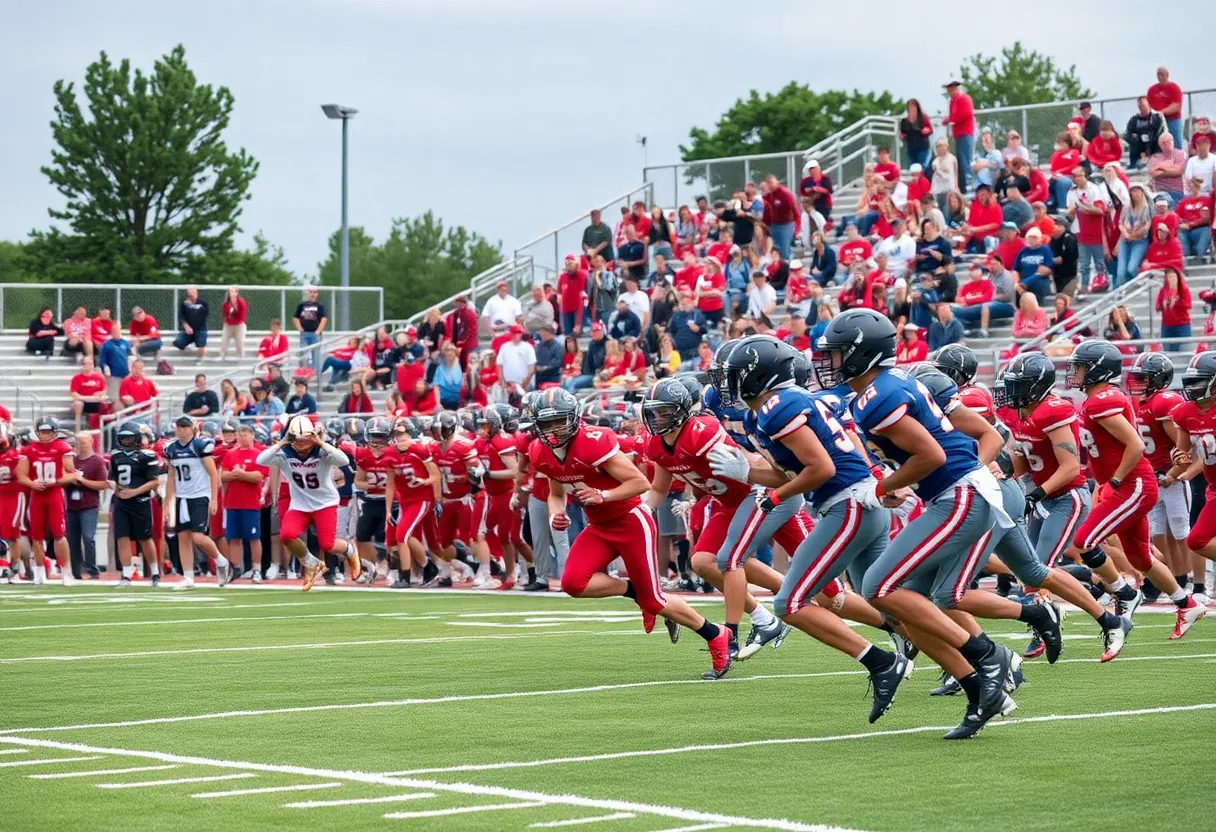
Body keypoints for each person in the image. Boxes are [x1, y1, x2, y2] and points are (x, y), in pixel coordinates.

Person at [816, 308, 1017, 739]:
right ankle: (978, 687)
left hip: (959, 491)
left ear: (860, 354)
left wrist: (881, 485)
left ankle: (988, 655)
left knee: (877, 586)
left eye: (834, 354)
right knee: (900, 603)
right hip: (949, 493)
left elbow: (933, 456)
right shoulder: (879, 389)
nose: (827, 363)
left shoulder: (878, 394)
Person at [528, 388, 732, 678]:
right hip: (599, 527)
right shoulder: (539, 451)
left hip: (630, 521)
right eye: (546, 424)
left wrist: (602, 495)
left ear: (573, 419)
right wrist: (555, 514)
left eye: (558, 421)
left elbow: (640, 483)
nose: (553, 430)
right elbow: (555, 494)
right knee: (573, 583)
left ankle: (715, 634)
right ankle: (635, 591)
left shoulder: (592, 443)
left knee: (655, 601)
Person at [1066, 341, 1205, 637]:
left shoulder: (1103, 399)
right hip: (1130, 484)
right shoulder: (1096, 399)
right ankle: (1186, 603)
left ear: (1096, 369)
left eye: (1079, 367)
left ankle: (1123, 594)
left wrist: (1114, 480)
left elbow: (1136, 444)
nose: (1073, 372)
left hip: (1132, 485)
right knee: (1141, 558)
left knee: (1083, 540)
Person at [257, 415, 360, 591]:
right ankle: (311, 563)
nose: (302, 445)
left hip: (324, 503)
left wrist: (320, 443)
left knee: (327, 544)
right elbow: (260, 460)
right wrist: (282, 443)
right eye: (298, 440)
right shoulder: (284, 454)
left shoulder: (322, 452)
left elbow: (343, 460)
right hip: (300, 505)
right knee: (286, 535)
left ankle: (350, 550)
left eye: (307, 440)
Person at [161, 416, 229, 589]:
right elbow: (171, 476)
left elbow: (213, 473)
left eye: (185, 428)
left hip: (200, 495)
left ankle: (221, 561)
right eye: (179, 428)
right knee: (183, 537)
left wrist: (213, 499)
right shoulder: (171, 448)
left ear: (192, 429)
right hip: (182, 497)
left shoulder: (199, 446)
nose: (182, 431)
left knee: (198, 537)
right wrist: (168, 502)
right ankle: (189, 577)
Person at [62, 432, 106, 581]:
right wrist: (71, 479)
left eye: (84, 443)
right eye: (79, 443)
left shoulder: (97, 461)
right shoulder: (71, 460)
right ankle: (76, 571)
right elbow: (62, 478)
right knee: (72, 539)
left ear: (91, 442)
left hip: (89, 505)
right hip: (71, 504)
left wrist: (81, 481)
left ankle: (92, 569)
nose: (81, 446)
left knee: (88, 537)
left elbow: (102, 484)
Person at [1066, 168, 1109, 293]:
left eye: (1078, 176)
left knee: (1099, 262)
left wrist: (1083, 207)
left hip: (1096, 231)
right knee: (1084, 264)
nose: (1076, 179)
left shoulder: (1094, 189)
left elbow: (1100, 211)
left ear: (1084, 175)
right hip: (1081, 231)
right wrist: (1073, 211)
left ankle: (1102, 284)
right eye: (1073, 177)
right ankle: (1084, 288)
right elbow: (1069, 214)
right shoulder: (1072, 192)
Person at [942, 80, 976, 192]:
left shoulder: (964, 99)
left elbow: (966, 114)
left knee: (966, 161)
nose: (950, 91)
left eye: (952, 88)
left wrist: (951, 119)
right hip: (958, 135)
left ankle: (969, 186)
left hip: (965, 133)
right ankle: (962, 188)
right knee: (960, 162)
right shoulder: (953, 101)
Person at [1013, 227, 1055, 304]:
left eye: (1034, 238)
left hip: (1039, 282)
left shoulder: (1045, 249)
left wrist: (1026, 282)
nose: (1031, 240)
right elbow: (1015, 269)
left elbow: (1045, 270)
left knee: (1039, 285)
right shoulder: (1023, 251)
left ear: (1039, 239)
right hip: (1022, 282)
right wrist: (1016, 283)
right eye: (1030, 237)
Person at [1148, 66, 1185, 149]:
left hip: (1173, 120)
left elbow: (1176, 107)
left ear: (1167, 75)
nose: (1160, 76)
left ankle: (1177, 161)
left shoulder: (1174, 88)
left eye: (1162, 74)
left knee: (1176, 144)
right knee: (1158, 145)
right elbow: (1149, 106)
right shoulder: (1152, 90)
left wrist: (1161, 112)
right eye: (1158, 74)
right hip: (1157, 122)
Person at [1156, 267, 1192, 351]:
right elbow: (1157, 307)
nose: (1170, 279)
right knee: (1168, 351)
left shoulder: (1183, 290)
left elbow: (1188, 305)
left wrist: (1175, 300)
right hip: (1167, 326)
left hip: (1182, 325)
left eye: (1172, 276)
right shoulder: (1163, 291)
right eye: (1168, 276)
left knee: (1183, 351)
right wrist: (1163, 304)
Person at [1177, 179, 1213, 261]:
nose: (1189, 189)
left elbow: (1207, 218)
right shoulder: (1184, 202)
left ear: (1197, 187)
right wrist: (1181, 222)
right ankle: (1185, 259)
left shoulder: (1207, 200)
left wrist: (1191, 224)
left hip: (1202, 228)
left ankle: (1199, 259)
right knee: (1180, 234)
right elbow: (1177, 216)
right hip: (1186, 229)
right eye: (1188, 187)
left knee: (1201, 245)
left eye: (1191, 187)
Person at [1124, 96, 1164, 169]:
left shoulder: (1157, 118)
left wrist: (1150, 145)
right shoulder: (1134, 120)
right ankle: (1133, 166)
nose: (1142, 108)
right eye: (1140, 106)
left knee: (1161, 142)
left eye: (1143, 105)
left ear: (1149, 105)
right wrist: (1138, 141)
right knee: (1133, 148)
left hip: (1154, 146)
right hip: (1138, 146)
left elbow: (1161, 133)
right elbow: (1127, 135)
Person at [293, 287, 328, 369]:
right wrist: (300, 328)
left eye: (315, 292)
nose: (312, 294)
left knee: (315, 355)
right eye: (311, 292)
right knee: (304, 355)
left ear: (317, 294)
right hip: (304, 333)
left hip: (315, 334)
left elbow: (324, 318)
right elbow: (295, 317)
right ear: (308, 293)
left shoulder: (320, 306)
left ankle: (314, 373)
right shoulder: (302, 305)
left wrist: (318, 330)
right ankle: (304, 370)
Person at [1149, 133, 1188, 205]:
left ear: (1173, 141)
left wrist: (1162, 168)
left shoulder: (1181, 154)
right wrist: (1172, 168)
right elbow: (1154, 174)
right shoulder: (1155, 157)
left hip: (1177, 191)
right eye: (1163, 143)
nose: (1166, 144)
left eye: (1168, 141)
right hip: (1160, 191)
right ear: (1159, 145)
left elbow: (1179, 171)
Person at [173, 286, 209, 361]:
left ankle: (200, 359)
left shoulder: (203, 303)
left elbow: (204, 316)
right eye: (190, 293)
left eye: (194, 293)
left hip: (200, 329)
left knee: (201, 343)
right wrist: (186, 326)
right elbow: (181, 316)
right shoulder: (184, 303)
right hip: (188, 330)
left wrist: (192, 308)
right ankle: (188, 346)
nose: (192, 295)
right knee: (178, 343)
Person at [670, 292, 706, 361]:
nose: (685, 305)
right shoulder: (676, 316)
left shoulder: (698, 314)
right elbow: (672, 331)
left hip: (695, 352)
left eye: (687, 303)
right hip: (680, 352)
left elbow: (705, 330)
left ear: (692, 303)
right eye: (683, 304)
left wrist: (698, 329)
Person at [899, 98, 933, 169]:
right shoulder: (906, 120)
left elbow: (931, 129)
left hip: (922, 147)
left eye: (913, 106)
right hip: (911, 147)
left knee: (922, 168)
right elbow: (904, 133)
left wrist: (926, 130)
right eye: (910, 107)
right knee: (912, 168)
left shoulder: (923, 117)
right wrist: (903, 136)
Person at [219, 286, 247, 360]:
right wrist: (229, 311)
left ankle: (240, 356)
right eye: (230, 291)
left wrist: (234, 310)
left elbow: (242, 315)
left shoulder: (241, 302)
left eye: (233, 291)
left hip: (239, 325)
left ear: (237, 293)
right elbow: (225, 314)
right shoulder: (226, 304)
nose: (231, 293)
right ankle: (222, 355)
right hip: (228, 325)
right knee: (224, 341)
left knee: (239, 343)